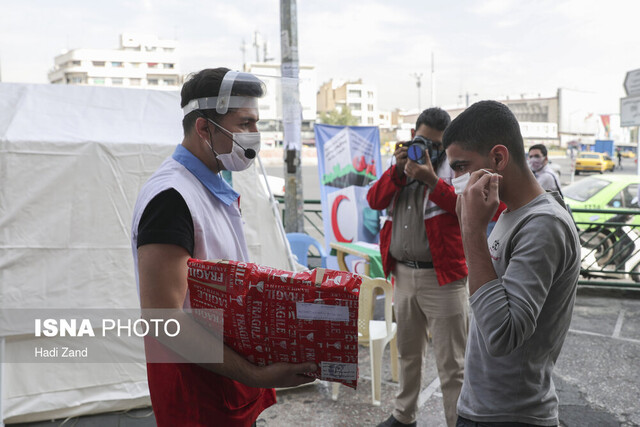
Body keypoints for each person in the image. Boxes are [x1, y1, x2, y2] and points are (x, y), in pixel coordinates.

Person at [131, 68, 316, 426]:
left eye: (256, 123)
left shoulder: (210, 185)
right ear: (204, 129)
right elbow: (164, 320)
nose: (255, 135)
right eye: (245, 123)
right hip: (197, 388)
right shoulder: (172, 198)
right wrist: (257, 375)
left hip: (226, 378)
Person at [443, 100, 581, 426]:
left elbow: (503, 335)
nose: (456, 180)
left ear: (498, 158)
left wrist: (473, 232)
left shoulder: (544, 224)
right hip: (484, 406)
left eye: (461, 167)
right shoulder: (509, 213)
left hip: (512, 416)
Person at [368, 108, 469, 427]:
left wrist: (430, 179)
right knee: (408, 353)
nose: (429, 149)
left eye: (437, 144)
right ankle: (404, 414)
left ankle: (457, 421)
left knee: (452, 364)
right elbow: (374, 200)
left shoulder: (455, 167)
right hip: (403, 274)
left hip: (444, 278)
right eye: (423, 140)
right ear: (414, 134)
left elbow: (466, 209)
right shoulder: (401, 164)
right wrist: (399, 172)